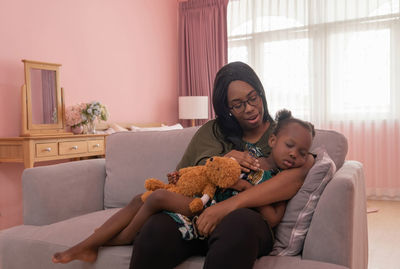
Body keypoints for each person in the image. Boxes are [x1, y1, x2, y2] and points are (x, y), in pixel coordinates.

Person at [53, 61, 314, 268]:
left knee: (239, 224)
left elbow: (297, 174)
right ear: (227, 109)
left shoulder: (283, 136)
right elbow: (184, 177)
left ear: (261, 93)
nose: (249, 108)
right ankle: (102, 241)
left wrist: (226, 207)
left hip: (245, 222)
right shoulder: (212, 132)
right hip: (194, 214)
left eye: (253, 97)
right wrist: (221, 161)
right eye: (238, 104)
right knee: (157, 228)